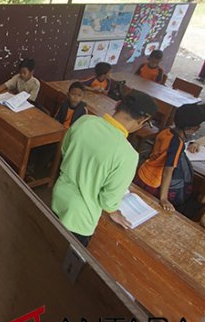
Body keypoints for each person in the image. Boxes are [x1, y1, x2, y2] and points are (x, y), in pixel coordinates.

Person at [52, 92, 158, 247]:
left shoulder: (85, 121)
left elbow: (65, 149)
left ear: (117, 105)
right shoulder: (128, 155)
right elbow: (108, 200)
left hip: (59, 197)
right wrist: (114, 212)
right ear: (142, 120)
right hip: (80, 218)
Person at [135, 104, 205, 214]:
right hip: (153, 182)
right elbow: (168, 171)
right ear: (195, 128)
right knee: (145, 208)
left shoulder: (166, 131)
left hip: (142, 171)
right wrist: (164, 199)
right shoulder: (177, 144)